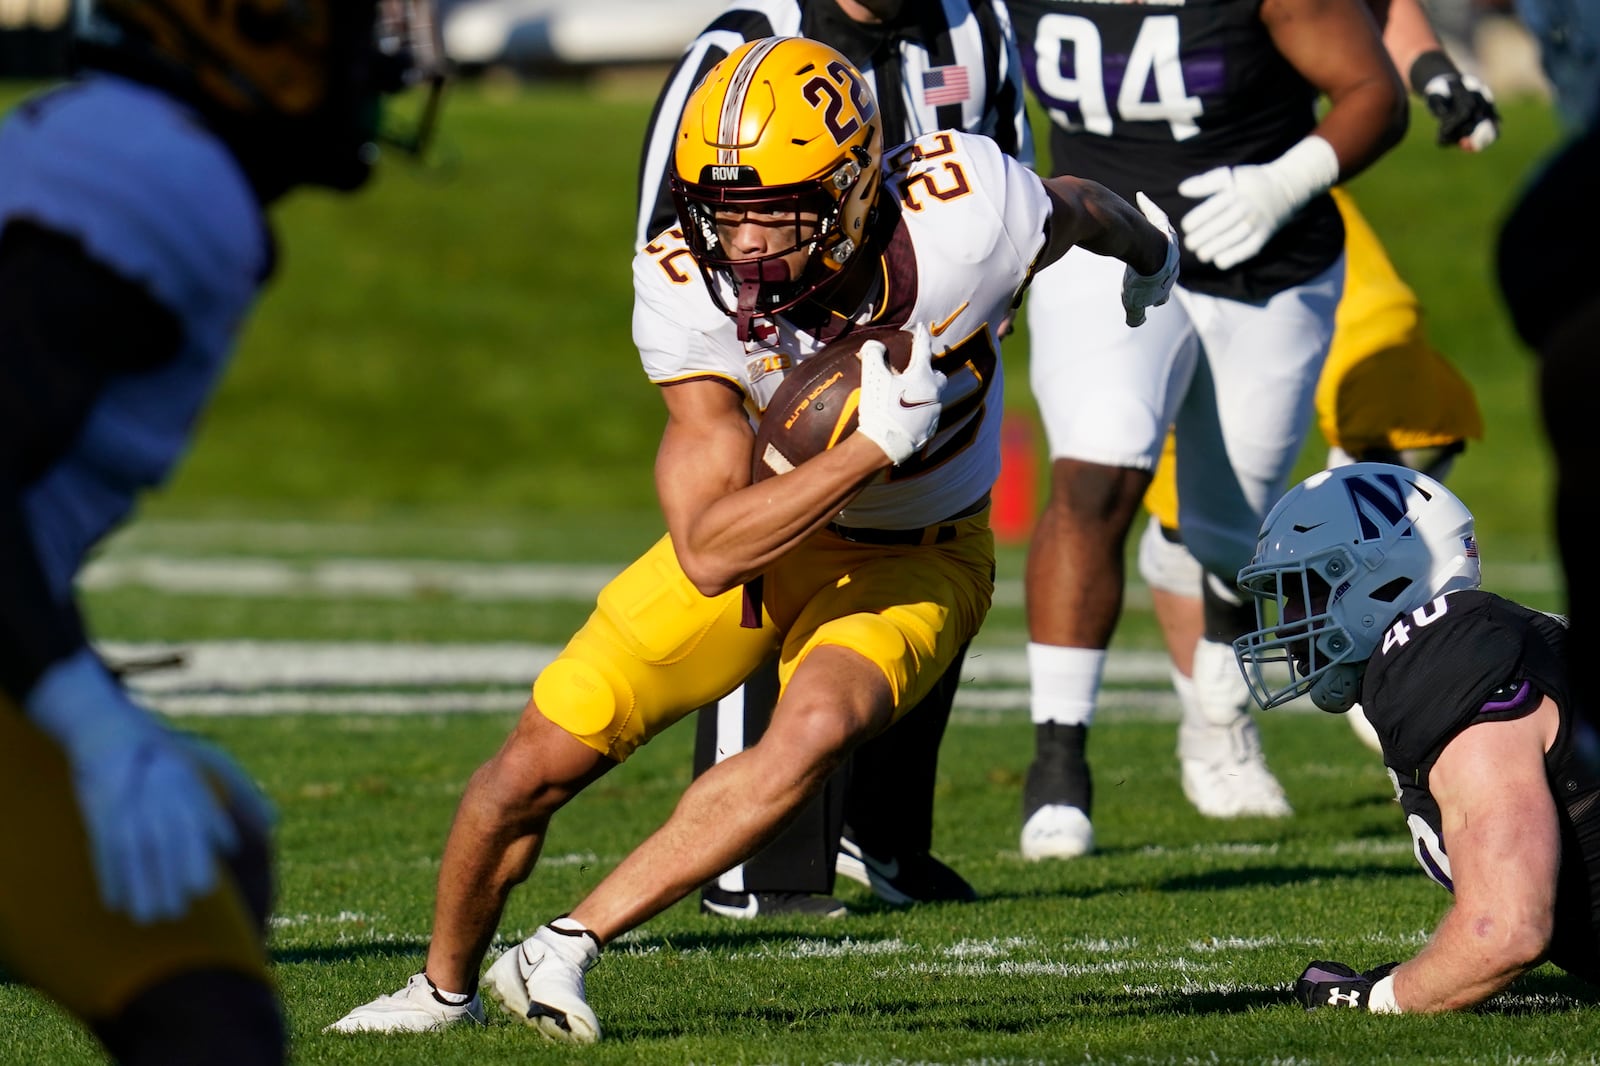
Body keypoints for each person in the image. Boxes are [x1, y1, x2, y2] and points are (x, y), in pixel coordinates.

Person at [328, 34, 1178, 1042]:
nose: (744, 243)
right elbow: (708, 550)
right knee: (527, 768)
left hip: (916, 554)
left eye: (774, 209)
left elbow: (1076, 205)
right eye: (723, 212)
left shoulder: (968, 211)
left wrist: (1150, 252)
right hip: (765, 540)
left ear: (856, 187)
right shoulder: (684, 285)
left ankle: (568, 943)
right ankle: (442, 989)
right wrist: (867, 449)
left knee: (814, 728)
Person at [0, 1, 445, 1063]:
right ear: (241, 30)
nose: (376, 57)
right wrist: (83, 712)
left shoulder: (98, 142)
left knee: (219, 846)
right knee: (205, 1013)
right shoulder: (164, 177)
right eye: (345, 26)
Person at [636, 0, 1032, 919]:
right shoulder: (745, 35)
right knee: (762, 571)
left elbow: (1011, 163)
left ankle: (887, 838)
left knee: (934, 558)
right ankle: (757, 867)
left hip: (924, 325)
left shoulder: (972, 22)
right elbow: (670, 215)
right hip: (773, 336)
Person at [1005, 0, 1408, 859]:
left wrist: (1283, 182)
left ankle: (1210, 683)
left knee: (1230, 534)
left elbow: (1376, 92)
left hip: (1265, 263)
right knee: (1094, 470)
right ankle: (1056, 765)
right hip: (1101, 241)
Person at [1137, 5, 1501, 764]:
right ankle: (1217, 723)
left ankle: (1358, 633)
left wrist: (1433, 72)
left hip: (1295, 190)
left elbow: (1375, 6)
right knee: (1199, 488)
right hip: (1160, 193)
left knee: (1408, 405)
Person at [1228, 463, 1600, 1012]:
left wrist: (1381, 997)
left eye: (1304, 589)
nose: (1286, 624)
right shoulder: (1484, 639)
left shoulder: (1444, 653)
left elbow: (1505, 929)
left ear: (1382, 577)